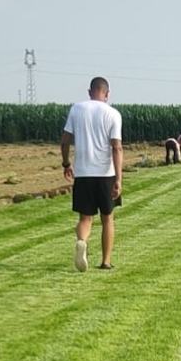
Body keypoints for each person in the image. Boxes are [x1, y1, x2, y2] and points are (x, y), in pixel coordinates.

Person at [61, 76, 122, 271]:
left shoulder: (77, 109)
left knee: (85, 218)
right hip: (105, 173)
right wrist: (119, 179)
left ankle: (82, 241)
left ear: (90, 91)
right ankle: (105, 261)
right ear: (107, 93)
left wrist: (66, 163)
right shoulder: (113, 114)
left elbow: (65, 141)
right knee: (107, 218)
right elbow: (117, 147)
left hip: (83, 173)